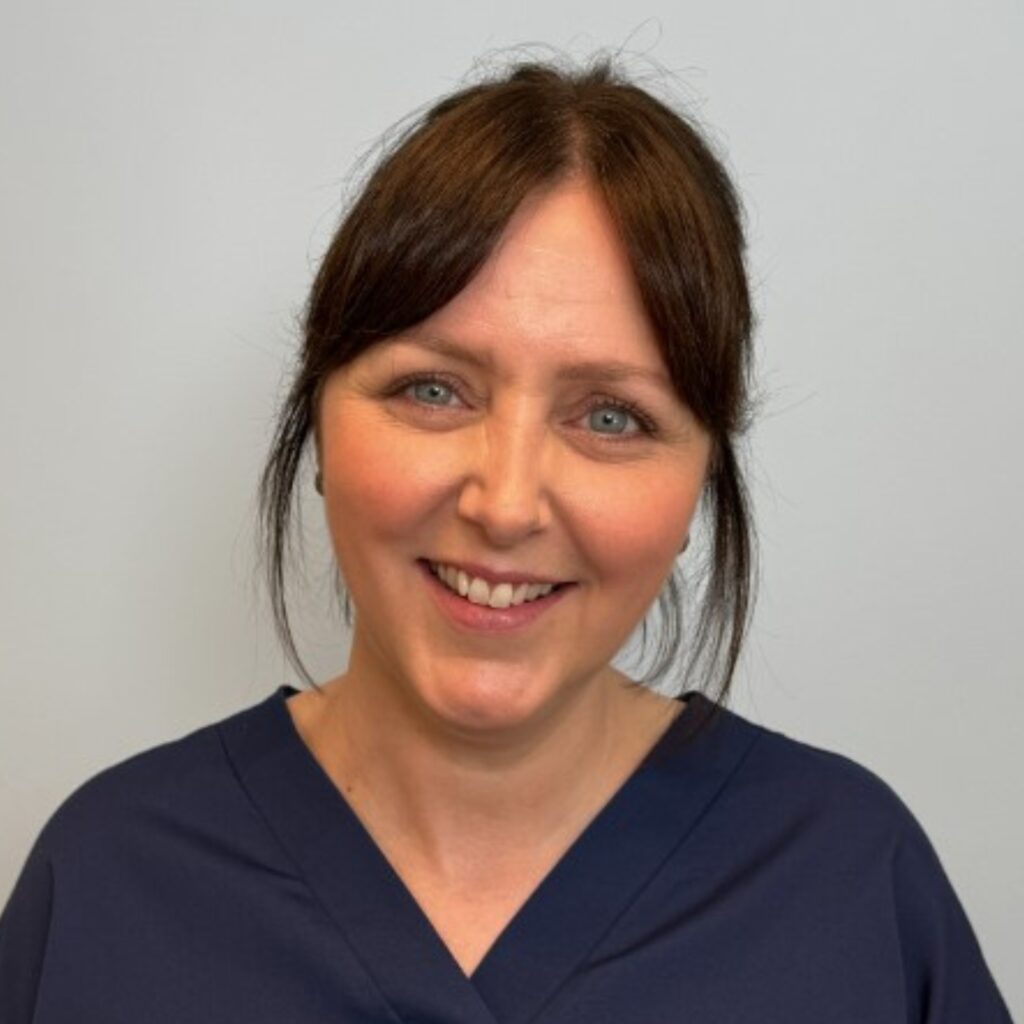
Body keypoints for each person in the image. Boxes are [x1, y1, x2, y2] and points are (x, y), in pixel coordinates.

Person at [0, 54, 1013, 1023]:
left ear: (701, 479)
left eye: (611, 416)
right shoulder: (109, 882)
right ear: (319, 426)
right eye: (432, 390)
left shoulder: (848, 888)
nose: (507, 502)